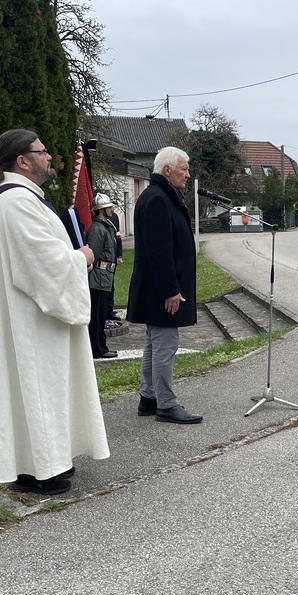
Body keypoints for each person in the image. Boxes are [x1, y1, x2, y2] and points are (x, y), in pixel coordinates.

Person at [0, 128, 109, 495]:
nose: (48, 157)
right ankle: (39, 470)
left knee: (48, 389)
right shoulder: (15, 202)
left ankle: (49, 462)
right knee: (38, 388)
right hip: (31, 320)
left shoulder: (27, 198)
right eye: (41, 151)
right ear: (22, 160)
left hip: (41, 316)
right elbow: (41, 263)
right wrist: (82, 257)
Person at [127, 146, 203, 424]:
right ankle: (166, 404)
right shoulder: (158, 198)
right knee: (165, 345)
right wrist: (171, 290)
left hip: (156, 288)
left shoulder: (160, 195)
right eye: (184, 169)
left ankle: (148, 397)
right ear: (167, 170)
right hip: (162, 290)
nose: (188, 174)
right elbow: (159, 252)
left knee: (154, 343)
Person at [86, 193, 118, 359]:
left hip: (104, 278)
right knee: (97, 316)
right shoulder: (98, 229)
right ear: (101, 210)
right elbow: (92, 254)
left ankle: (100, 347)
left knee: (101, 315)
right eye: (109, 207)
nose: (112, 209)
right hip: (98, 278)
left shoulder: (106, 226)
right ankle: (98, 349)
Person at [106, 208, 123, 320]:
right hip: (105, 255)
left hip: (113, 255)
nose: (111, 209)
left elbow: (118, 236)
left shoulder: (115, 217)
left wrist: (119, 255)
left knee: (111, 284)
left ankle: (110, 309)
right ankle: (105, 310)